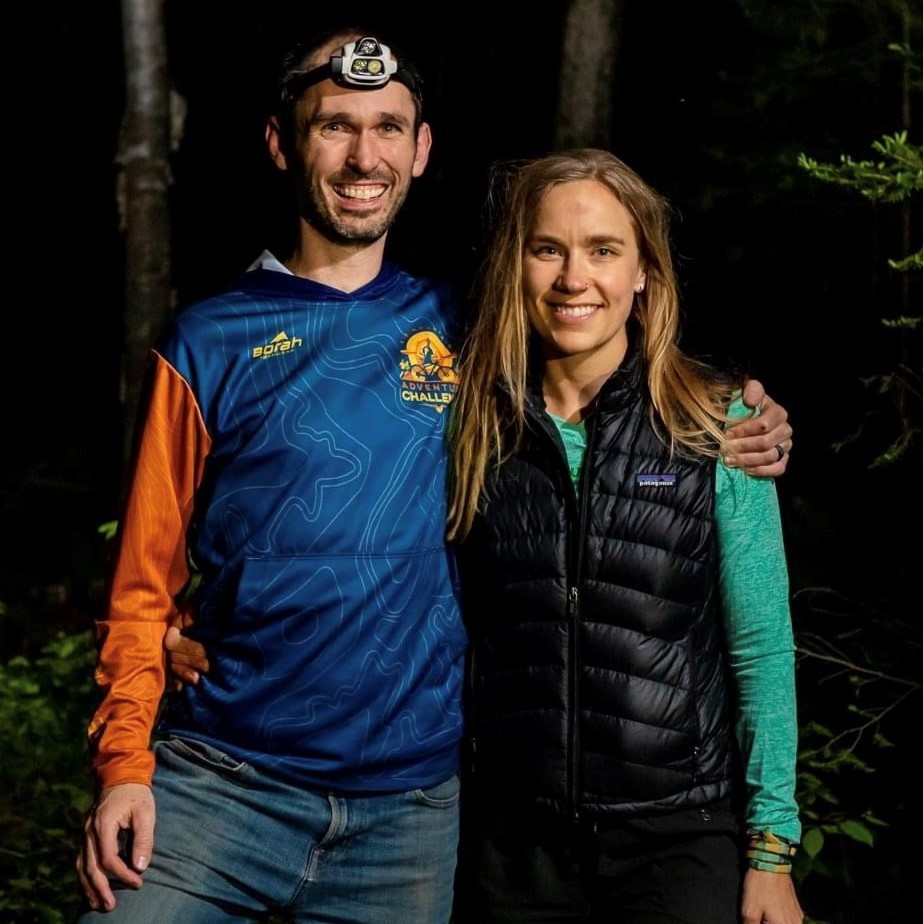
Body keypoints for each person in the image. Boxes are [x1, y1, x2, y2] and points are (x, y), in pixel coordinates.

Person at [76, 24, 794, 924]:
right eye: (334, 126)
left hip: (407, 816)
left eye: (387, 127)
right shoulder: (206, 341)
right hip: (223, 782)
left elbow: (601, 356)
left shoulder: (467, 335)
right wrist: (128, 755)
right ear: (281, 142)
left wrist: (741, 421)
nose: (362, 156)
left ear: (419, 151)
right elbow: (140, 586)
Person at [445, 149, 803, 924]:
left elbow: (760, 648)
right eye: (548, 249)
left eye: (603, 250)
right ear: (515, 266)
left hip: (677, 839)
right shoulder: (469, 427)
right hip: (512, 846)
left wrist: (771, 849)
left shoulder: (718, 425)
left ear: (643, 272)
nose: (574, 278)